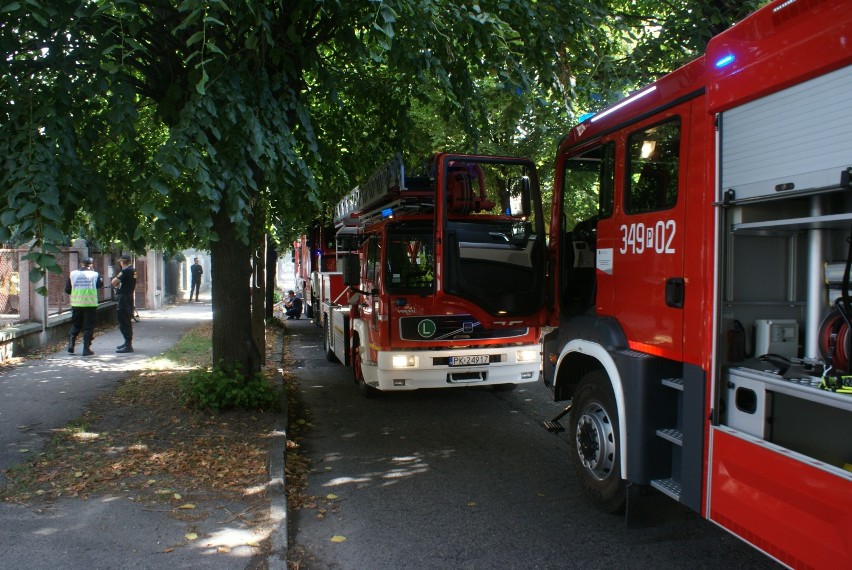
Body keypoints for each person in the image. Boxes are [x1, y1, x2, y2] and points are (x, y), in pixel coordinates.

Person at [65, 257, 103, 357]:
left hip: (76, 304)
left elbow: (67, 290)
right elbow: (100, 285)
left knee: (76, 324)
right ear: (91, 264)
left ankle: (71, 344)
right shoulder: (95, 274)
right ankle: (86, 349)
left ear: (81, 263)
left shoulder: (73, 274)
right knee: (88, 327)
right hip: (90, 304)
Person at [111, 254, 137, 353]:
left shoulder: (125, 271)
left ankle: (128, 344)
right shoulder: (133, 270)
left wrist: (117, 284)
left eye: (120, 262)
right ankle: (127, 342)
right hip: (129, 297)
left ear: (122, 262)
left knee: (123, 321)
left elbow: (114, 282)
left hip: (124, 299)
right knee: (126, 320)